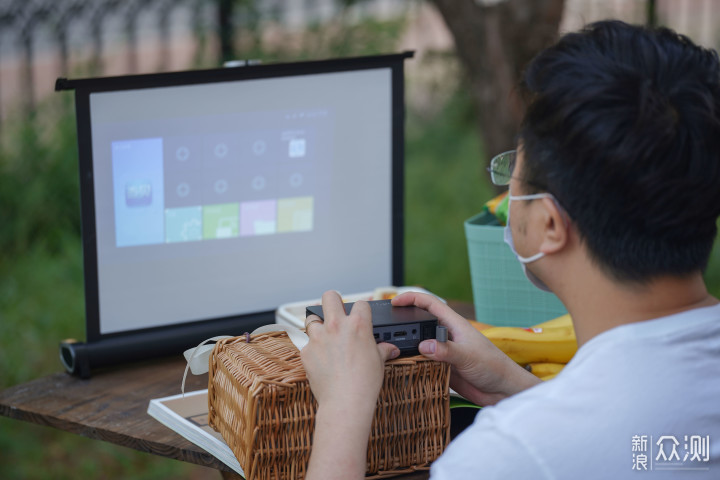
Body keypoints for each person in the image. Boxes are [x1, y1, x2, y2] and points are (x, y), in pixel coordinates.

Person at [300, 20, 720, 479]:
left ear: (550, 224)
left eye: (512, 171)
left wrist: (341, 408)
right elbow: (670, 455)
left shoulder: (506, 456)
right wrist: (517, 386)